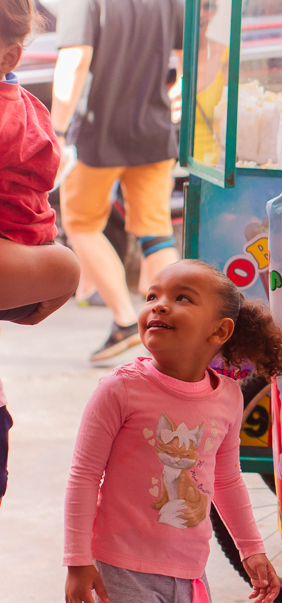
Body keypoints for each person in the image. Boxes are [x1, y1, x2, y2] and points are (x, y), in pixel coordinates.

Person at [63, 259, 282, 603]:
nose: (158, 305)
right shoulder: (119, 389)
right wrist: (77, 561)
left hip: (191, 570)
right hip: (123, 569)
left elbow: (226, 479)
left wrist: (251, 548)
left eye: (182, 298)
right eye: (152, 296)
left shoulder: (228, 396)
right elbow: (84, 476)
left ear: (220, 331)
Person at [52, 0, 184, 363]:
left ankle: (126, 322)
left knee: (82, 225)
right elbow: (191, 55)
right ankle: (175, 331)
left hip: (98, 136)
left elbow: (75, 59)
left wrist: (56, 131)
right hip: (154, 133)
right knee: (155, 229)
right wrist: (179, 96)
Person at [0, 0, 82, 506]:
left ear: (8, 55)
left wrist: (61, 271)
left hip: (21, 256)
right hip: (31, 257)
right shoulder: (29, 107)